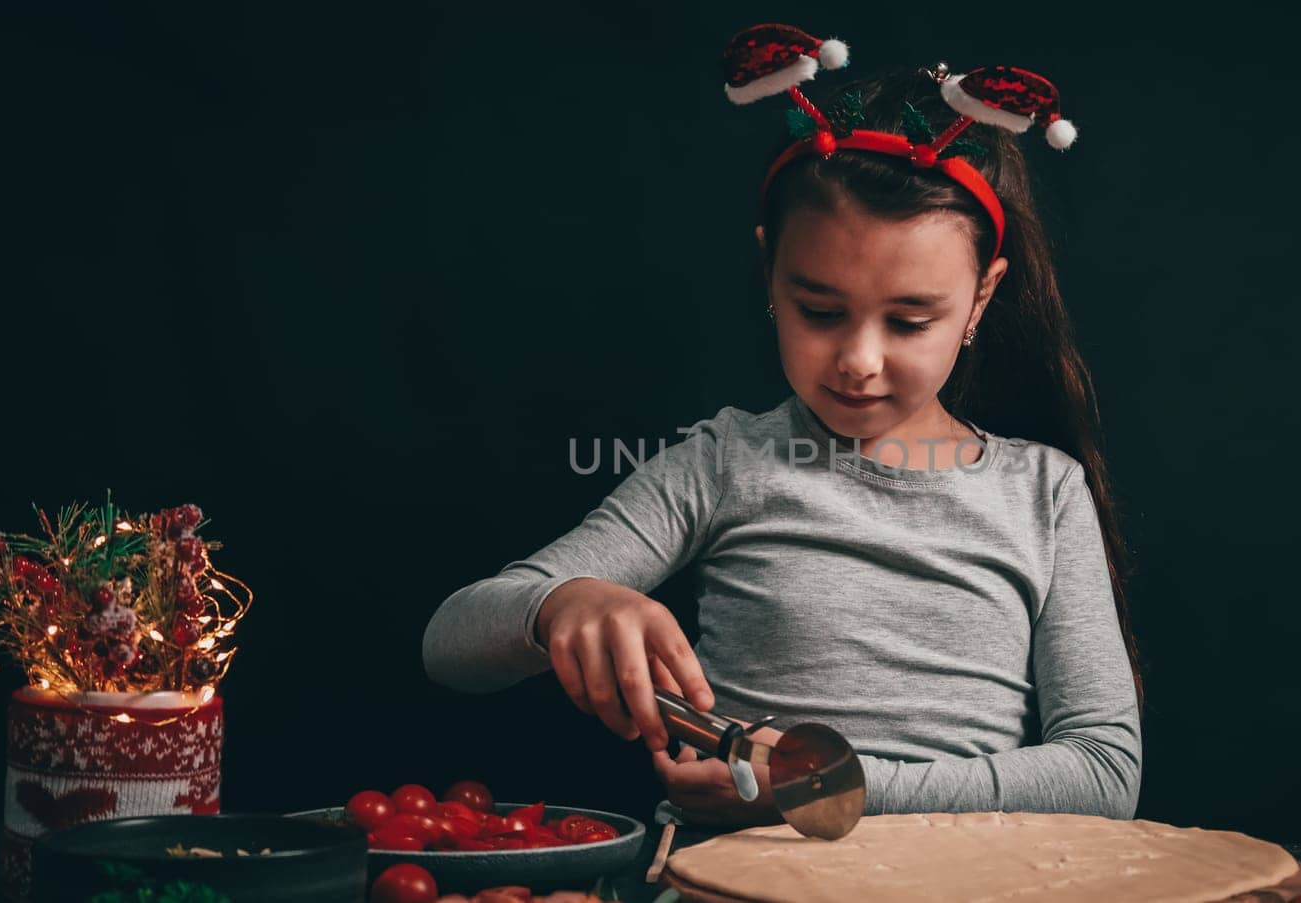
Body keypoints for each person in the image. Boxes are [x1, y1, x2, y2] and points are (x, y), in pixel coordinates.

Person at [422, 25, 1142, 830]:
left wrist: (825, 784)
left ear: (979, 299)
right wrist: (559, 605)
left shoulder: (1043, 491)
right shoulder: (725, 463)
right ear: (770, 271)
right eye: (820, 311)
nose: (860, 361)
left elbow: (1104, 771)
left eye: (910, 321)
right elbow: (450, 644)